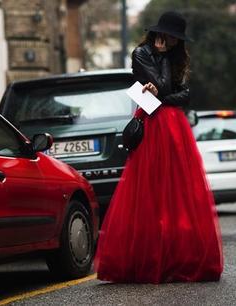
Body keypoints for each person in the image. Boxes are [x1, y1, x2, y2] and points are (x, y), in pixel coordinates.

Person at [94, 11, 223, 283]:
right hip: (153, 126)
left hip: (174, 126)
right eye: (172, 37)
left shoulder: (177, 56)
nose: (175, 43)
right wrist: (163, 65)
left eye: (178, 38)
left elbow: (184, 94)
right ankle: (150, 258)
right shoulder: (142, 54)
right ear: (160, 34)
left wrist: (164, 96)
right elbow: (164, 86)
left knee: (179, 192)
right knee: (151, 191)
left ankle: (180, 256)